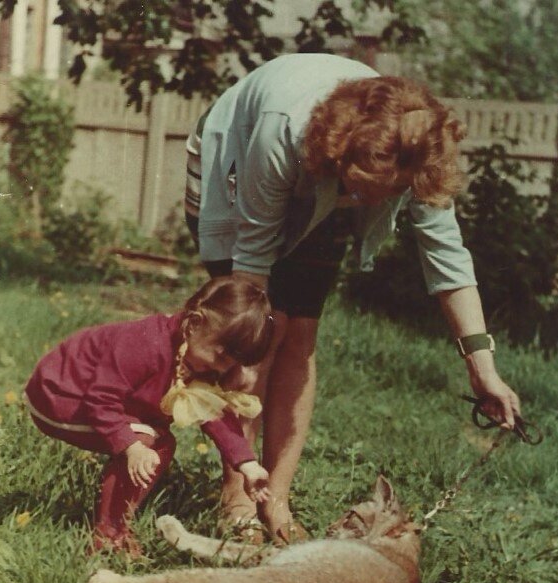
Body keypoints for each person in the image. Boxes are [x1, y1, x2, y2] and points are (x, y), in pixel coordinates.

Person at [185, 53, 522, 543]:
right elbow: (253, 260)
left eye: (384, 196)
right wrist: (246, 354)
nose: (370, 206)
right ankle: (237, 497)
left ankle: (275, 499)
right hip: (238, 157)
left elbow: (448, 260)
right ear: (342, 156)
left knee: (299, 333)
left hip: (322, 180)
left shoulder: (415, 152)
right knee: (260, 337)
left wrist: (482, 368)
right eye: (362, 191)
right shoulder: (285, 133)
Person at [24, 276, 274, 556]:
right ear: (193, 323)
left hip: (99, 401)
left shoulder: (197, 357)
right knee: (143, 440)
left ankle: (115, 526)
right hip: (60, 394)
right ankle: (108, 536)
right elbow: (100, 399)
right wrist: (131, 446)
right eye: (222, 356)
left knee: (162, 444)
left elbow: (214, 413)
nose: (222, 368)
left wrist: (248, 464)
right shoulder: (146, 344)